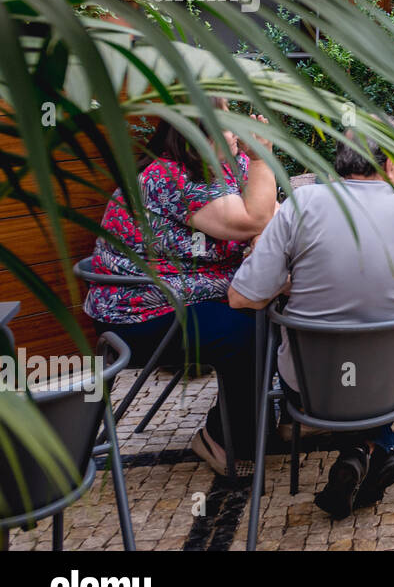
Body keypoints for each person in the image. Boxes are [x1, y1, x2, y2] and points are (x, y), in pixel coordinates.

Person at [228, 121, 394, 517]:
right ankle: (375, 447)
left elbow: (241, 297)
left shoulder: (300, 206)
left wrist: (290, 283)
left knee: (357, 357)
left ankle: (360, 451)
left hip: (309, 387)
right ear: (390, 164)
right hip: (389, 383)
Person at [84, 99, 274, 475]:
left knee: (276, 311)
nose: (237, 129)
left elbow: (270, 220)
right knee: (250, 328)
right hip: (139, 314)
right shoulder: (175, 176)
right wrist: (262, 159)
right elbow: (253, 220)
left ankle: (264, 418)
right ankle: (224, 437)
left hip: (187, 294)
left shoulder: (223, 168)